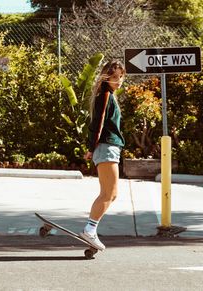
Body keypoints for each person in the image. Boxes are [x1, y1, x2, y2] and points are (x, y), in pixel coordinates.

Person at [80, 60, 126, 251]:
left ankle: (90, 229)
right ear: (107, 77)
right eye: (115, 77)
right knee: (108, 193)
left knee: (111, 194)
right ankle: (90, 230)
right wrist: (91, 148)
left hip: (110, 147)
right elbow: (97, 124)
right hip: (106, 147)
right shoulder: (105, 95)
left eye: (121, 77)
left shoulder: (109, 95)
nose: (119, 81)